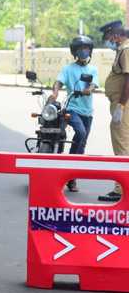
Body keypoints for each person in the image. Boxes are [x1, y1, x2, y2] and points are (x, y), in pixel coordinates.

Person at [48, 35, 98, 193]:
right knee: (81, 133)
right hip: (72, 108)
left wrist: (87, 90)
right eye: (81, 49)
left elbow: (93, 85)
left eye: (87, 48)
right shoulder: (68, 69)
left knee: (81, 144)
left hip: (87, 112)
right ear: (75, 51)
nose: (84, 51)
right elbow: (58, 82)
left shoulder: (92, 69)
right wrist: (55, 93)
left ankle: (71, 178)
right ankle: (67, 166)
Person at [98, 20, 128, 202]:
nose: (108, 40)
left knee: (122, 145)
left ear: (116, 35)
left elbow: (128, 80)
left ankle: (121, 190)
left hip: (124, 105)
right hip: (122, 104)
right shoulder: (123, 49)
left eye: (109, 37)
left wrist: (121, 106)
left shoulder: (126, 50)